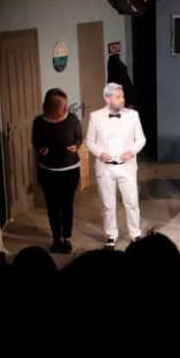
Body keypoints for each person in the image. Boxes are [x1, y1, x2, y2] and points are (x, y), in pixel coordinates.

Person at [86, 82, 146, 248]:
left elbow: (141, 139)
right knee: (108, 205)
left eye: (122, 96)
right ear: (107, 99)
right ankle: (111, 235)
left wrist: (131, 151)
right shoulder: (95, 116)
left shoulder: (133, 115)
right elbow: (89, 141)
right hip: (105, 168)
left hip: (126, 166)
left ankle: (135, 233)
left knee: (132, 202)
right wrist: (100, 153)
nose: (122, 99)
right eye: (118, 97)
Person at [32, 88, 82, 253]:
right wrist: (40, 149)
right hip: (48, 171)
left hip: (69, 171)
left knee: (67, 205)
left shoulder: (72, 119)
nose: (65, 108)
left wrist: (76, 146)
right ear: (51, 107)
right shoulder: (39, 122)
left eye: (65, 105)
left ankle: (66, 239)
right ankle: (56, 239)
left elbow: (79, 138)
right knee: (52, 206)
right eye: (62, 106)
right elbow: (36, 141)